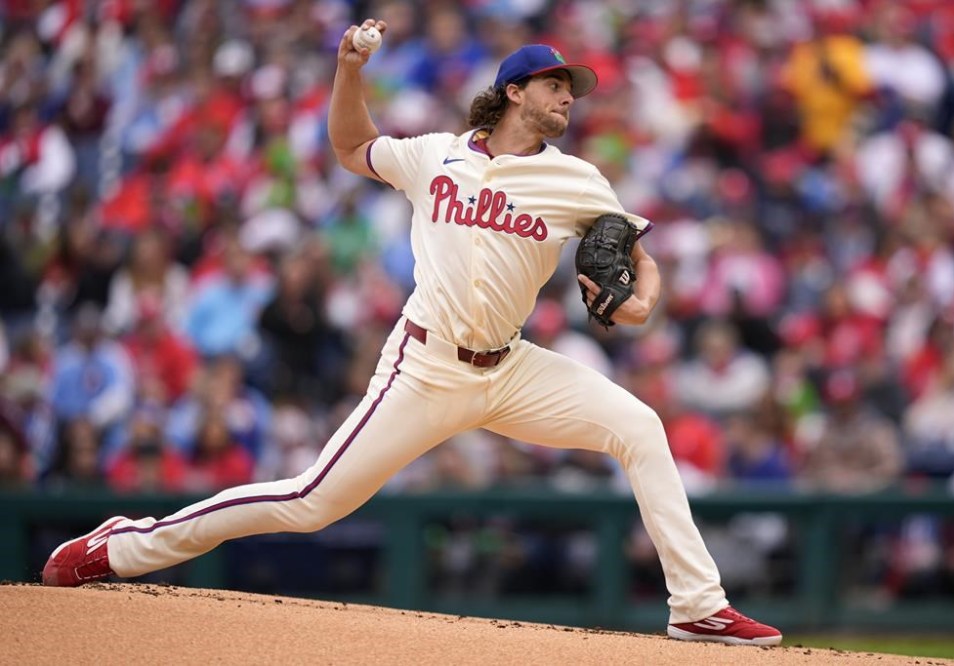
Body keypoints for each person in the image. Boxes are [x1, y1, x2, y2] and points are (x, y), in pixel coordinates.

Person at [42, 19, 781, 646]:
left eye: (572, 89)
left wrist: (641, 305)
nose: (568, 98)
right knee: (308, 502)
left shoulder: (579, 180)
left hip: (512, 367)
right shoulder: (436, 155)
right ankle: (129, 545)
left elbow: (638, 262)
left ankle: (697, 608)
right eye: (555, 84)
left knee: (640, 427)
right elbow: (348, 147)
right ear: (514, 91)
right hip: (424, 367)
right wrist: (348, 71)